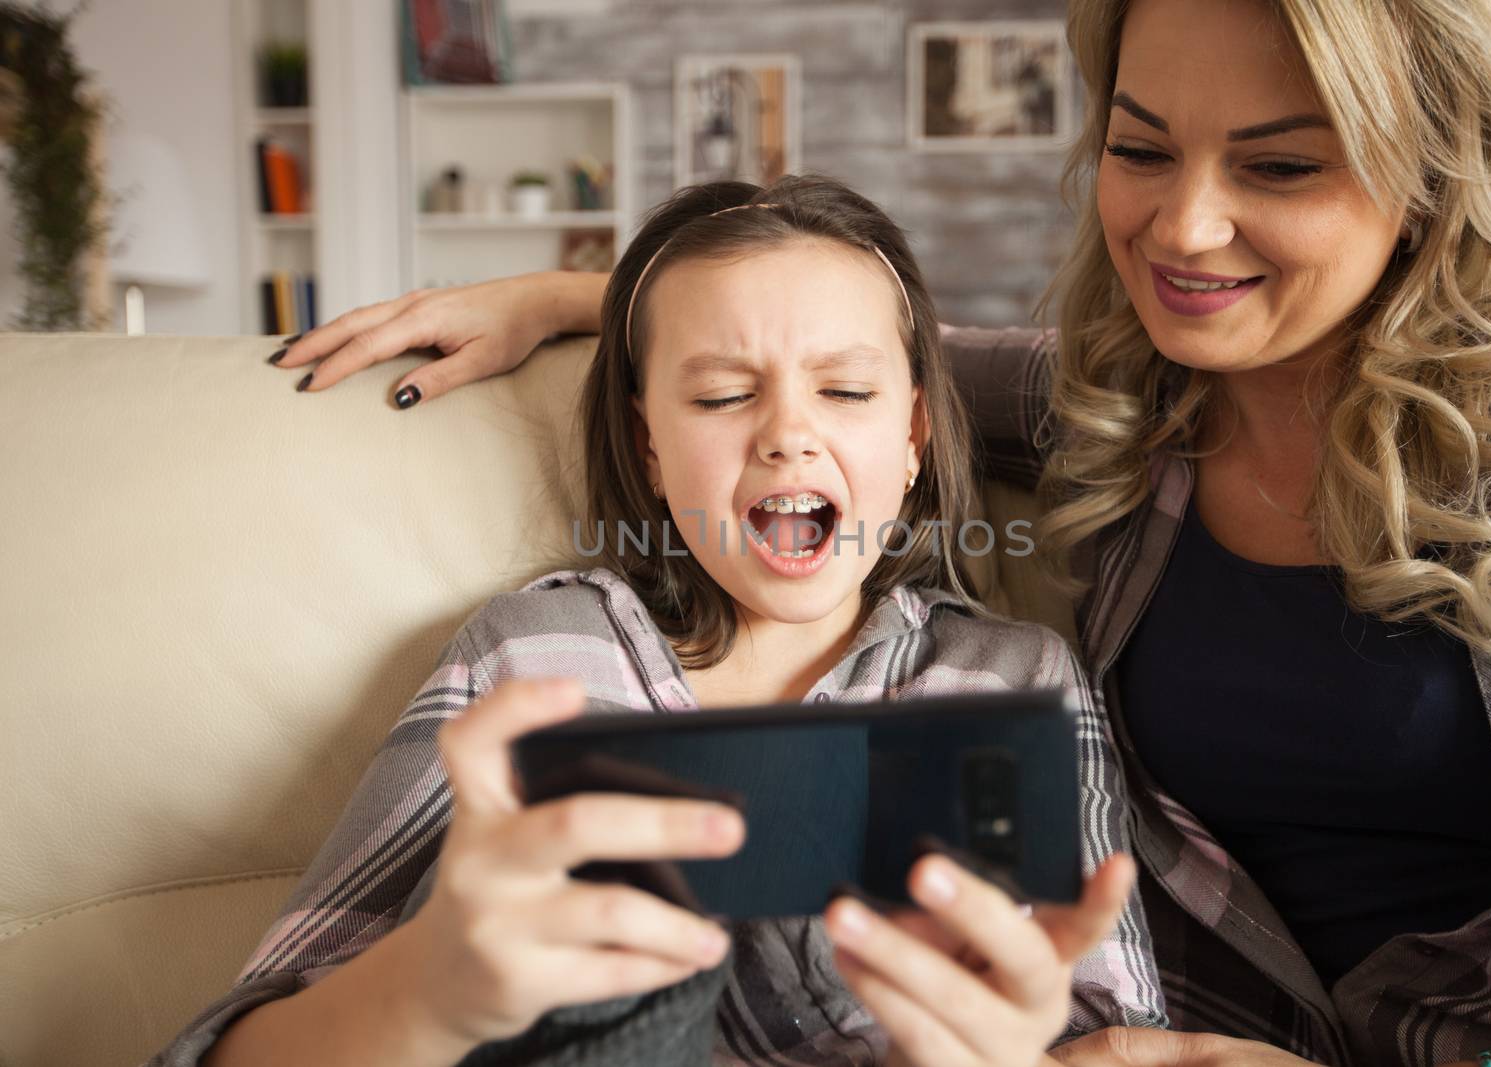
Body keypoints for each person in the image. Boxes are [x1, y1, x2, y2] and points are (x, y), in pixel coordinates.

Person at [264, 1, 1491, 1065]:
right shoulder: (1120, 414)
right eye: (1139, 148)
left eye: (1283, 163)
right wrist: (569, 299)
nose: (1182, 226)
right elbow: (841, 359)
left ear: (1438, 165)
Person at [150, 175, 1166, 1067]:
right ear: (647, 447)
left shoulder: (1009, 678)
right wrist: (425, 990)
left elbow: (1114, 1030)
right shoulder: (540, 655)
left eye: (845, 389)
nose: (787, 433)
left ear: (910, 435)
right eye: (724, 394)